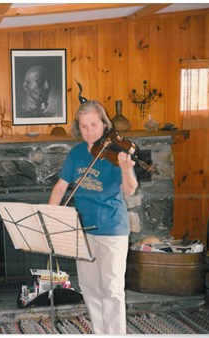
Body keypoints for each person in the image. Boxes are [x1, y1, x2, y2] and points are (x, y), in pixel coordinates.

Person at [48, 100, 137, 334]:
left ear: (104, 124)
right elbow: (60, 187)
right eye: (84, 126)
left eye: (94, 125)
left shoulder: (116, 152)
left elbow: (129, 190)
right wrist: (49, 215)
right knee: (89, 287)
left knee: (112, 288)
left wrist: (127, 170)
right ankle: (100, 332)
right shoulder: (77, 153)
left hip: (112, 228)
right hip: (84, 230)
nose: (89, 131)